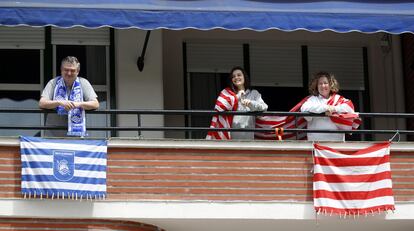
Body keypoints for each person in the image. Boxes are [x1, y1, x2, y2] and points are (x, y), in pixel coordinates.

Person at [39, 56, 99, 137]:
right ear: (61, 70)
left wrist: (78, 104)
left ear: (78, 71)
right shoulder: (53, 83)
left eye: (72, 70)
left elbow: (95, 104)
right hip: (53, 134)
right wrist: (59, 102)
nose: (69, 73)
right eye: (66, 70)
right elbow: (42, 103)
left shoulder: (83, 82)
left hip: (76, 134)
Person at [206, 66, 268, 140]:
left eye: (239, 75)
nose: (236, 77)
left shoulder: (254, 93)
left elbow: (264, 108)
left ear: (244, 77)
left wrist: (251, 104)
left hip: (249, 137)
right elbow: (219, 107)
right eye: (233, 76)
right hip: (230, 138)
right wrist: (237, 97)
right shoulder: (227, 94)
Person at [300, 71, 359, 141]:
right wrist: (326, 108)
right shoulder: (312, 99)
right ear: (316, 86)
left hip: (336, 143)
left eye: (325, 83)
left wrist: (333, 109)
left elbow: (349, 108)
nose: (323, 86)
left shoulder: (338, 99)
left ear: (331, 85)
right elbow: (304, 109)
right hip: (316, 143)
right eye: (320, 84)